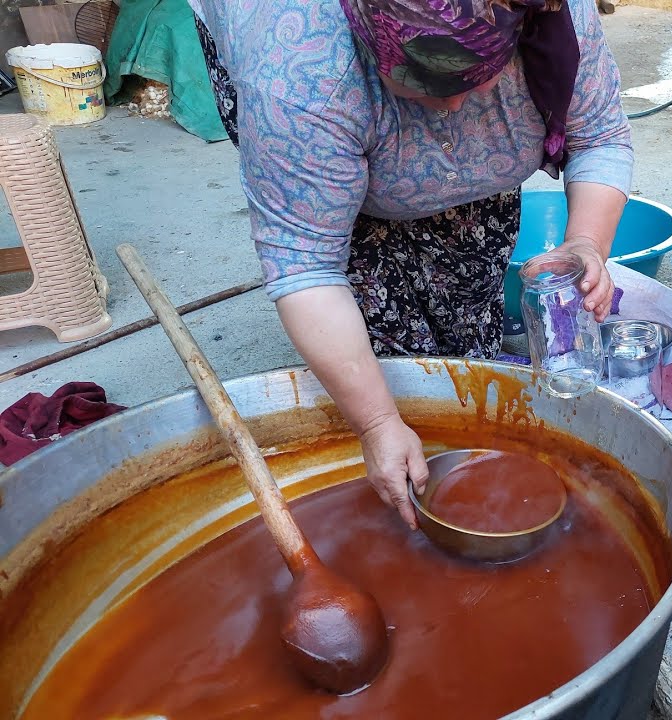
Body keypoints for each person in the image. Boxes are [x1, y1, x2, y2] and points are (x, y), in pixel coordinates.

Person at [187, 0, 632, 527]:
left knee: (465, 316)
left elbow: (600, 136)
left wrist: (584, 242)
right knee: (383, 349)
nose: (451, 109)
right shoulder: (297, 73)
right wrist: (376, 423)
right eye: (424, 85)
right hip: (304, 80)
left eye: (477, 81)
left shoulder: (555, 15)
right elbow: (306, 261)